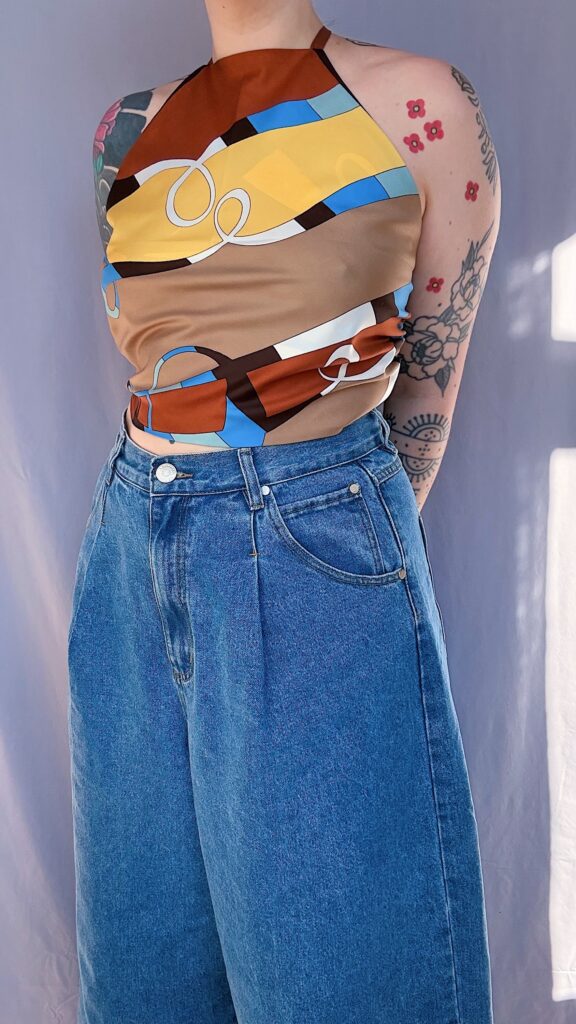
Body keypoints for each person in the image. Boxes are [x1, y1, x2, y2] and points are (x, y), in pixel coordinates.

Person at [70, 0, 501, 1020]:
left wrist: (319, 543)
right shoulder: (126, 132)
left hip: (313, 540)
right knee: (146, 974)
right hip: (130, 550)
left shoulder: (420, 101)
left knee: (346, 967)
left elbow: (427, 387)